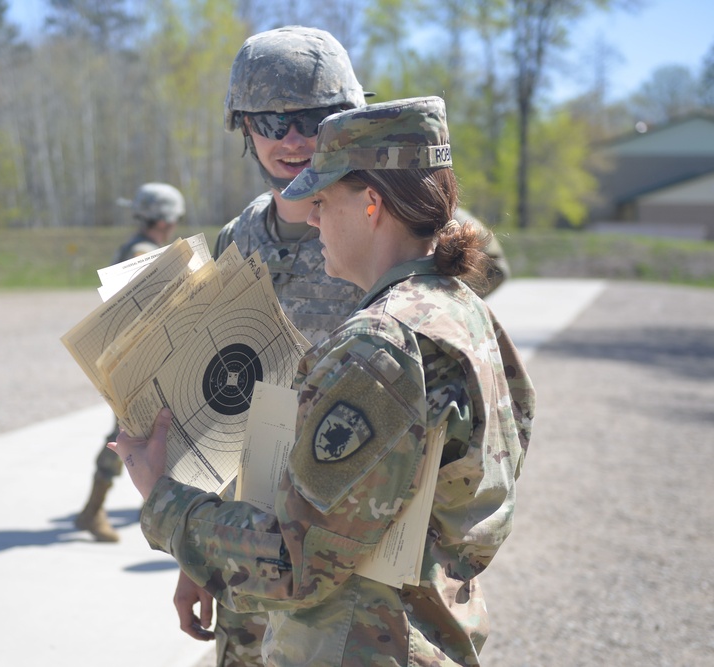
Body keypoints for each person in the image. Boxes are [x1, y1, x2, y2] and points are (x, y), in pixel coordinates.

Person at [112, 96, 536, 666]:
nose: (311, 218)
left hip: (355, 643)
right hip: (424, 625)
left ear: (370, 204)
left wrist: (161, 497)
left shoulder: (377, 348)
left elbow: (299, 562)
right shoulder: (459, 310)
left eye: (322, 200)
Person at [174, 26, 369, 666]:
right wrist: (197, 551)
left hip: (357, 541)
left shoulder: (383, 227)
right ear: (244, 127)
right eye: (271, 119)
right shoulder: (240, 238)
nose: (291, 138)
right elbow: (221, 410)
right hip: (254, 537)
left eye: (313, 118)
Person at [74, 182, 186, 542]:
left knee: (131, 434)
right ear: (166, 220)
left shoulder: (134, 249)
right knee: (134, 435)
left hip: (129, 363)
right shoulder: (145, 255)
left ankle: (100, 508)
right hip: (142, 365)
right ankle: (97, 510)